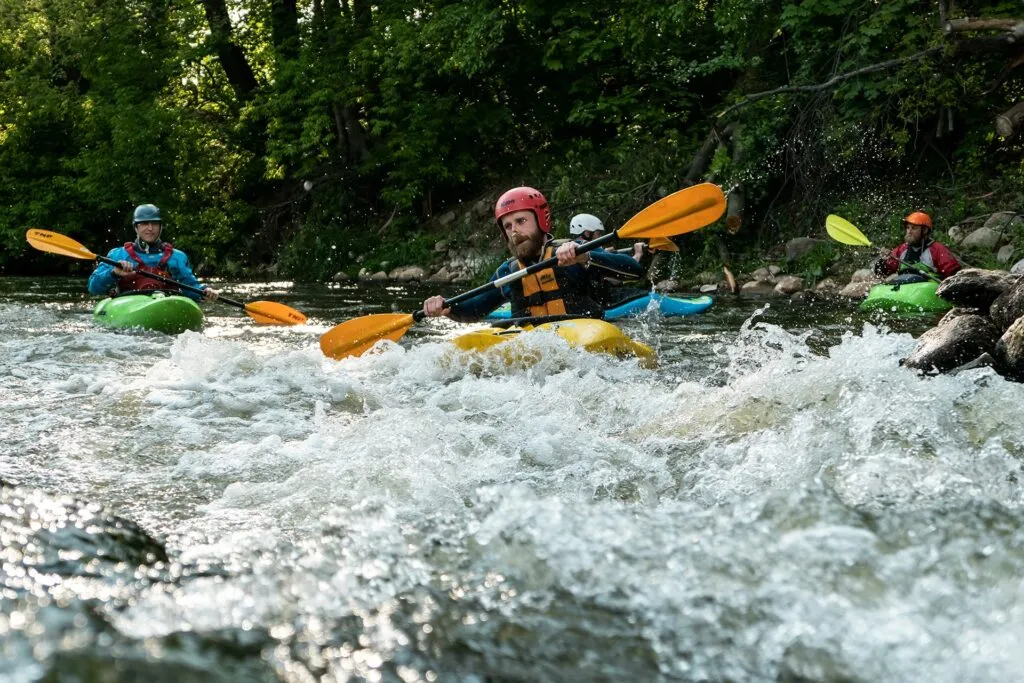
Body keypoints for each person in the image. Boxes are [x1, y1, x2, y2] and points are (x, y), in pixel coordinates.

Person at [422, 188, 644, 321]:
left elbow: (634, 271)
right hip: (534, 348)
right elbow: (473, 310)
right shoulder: (509, 271)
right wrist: (447, 308)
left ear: (541, 221)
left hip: (584, 340)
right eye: (508, 226)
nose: (514, 231)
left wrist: (584, 258)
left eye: (521, 221)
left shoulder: (575, 249)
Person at [87, 204, 219, 301]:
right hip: (128, 305)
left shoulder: (176, 257)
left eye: (154, 224)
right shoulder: (118, 255)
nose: (150, 228)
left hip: (168, 305)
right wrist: (114, 273)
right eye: (144, 223)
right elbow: (93, 288)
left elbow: (191, 288)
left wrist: (204, 291)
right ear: (136, 227)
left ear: (160, 227)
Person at [873, 211, 961, 280]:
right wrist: (883, 261)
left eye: (914, 228)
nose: (909, 231)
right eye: (908, 228)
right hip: (905, 286)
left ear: (924, 230)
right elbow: (884, 272)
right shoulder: (901, 249)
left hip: (926, 287)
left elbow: (953, 273)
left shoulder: (937, 249)